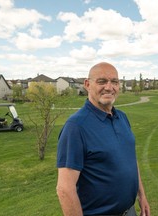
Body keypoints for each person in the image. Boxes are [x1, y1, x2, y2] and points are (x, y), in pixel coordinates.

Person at [56, 62, 150, 216]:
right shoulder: (76, 127)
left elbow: (130, 160)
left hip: (130, 211)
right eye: (101, 81)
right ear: (87, 84)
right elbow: (65, 189)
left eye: (114, 82)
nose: (109, 87)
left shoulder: (122, 118)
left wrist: (142, 195)